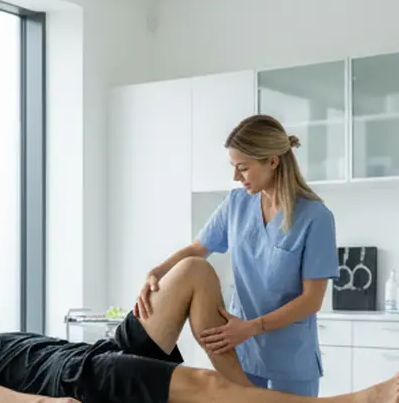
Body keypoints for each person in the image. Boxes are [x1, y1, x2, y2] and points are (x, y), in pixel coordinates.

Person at [0, 256, 399, 403]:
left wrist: (154, 270)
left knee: (193, 272)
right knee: (204, 385)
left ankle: (246, 398)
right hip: (83, 380)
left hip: (100, 354)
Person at [135, 114, 338, 396]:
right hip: (243, 355)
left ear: (272, 161)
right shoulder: (236, 204)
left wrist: (252, 328)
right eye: (234, 167)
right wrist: (157, 272)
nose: (235, 177)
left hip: (291, 360)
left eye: (243, 167)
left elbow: (311, 300)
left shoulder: (316, 217)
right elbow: (197, 250)